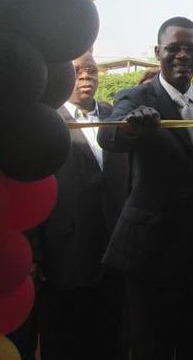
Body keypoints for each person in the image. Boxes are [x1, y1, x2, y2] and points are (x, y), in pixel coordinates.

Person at [98, 17, 193, 359]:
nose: (183, 55)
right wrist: (132, 127)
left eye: (191, 49)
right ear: (157, 52)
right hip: (151, 255)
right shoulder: (135, 97)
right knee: (152, 348)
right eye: (174, 48)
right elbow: (110, 135)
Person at [33, 51, 130, 360]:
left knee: (113, 340)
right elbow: (32, 190)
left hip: (116, 251)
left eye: (91, 70)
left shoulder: (116, 117)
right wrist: (35, 253)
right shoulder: (44, 120)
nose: (86, 76)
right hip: (65, 253)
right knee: (67, 341)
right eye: (77, 71)